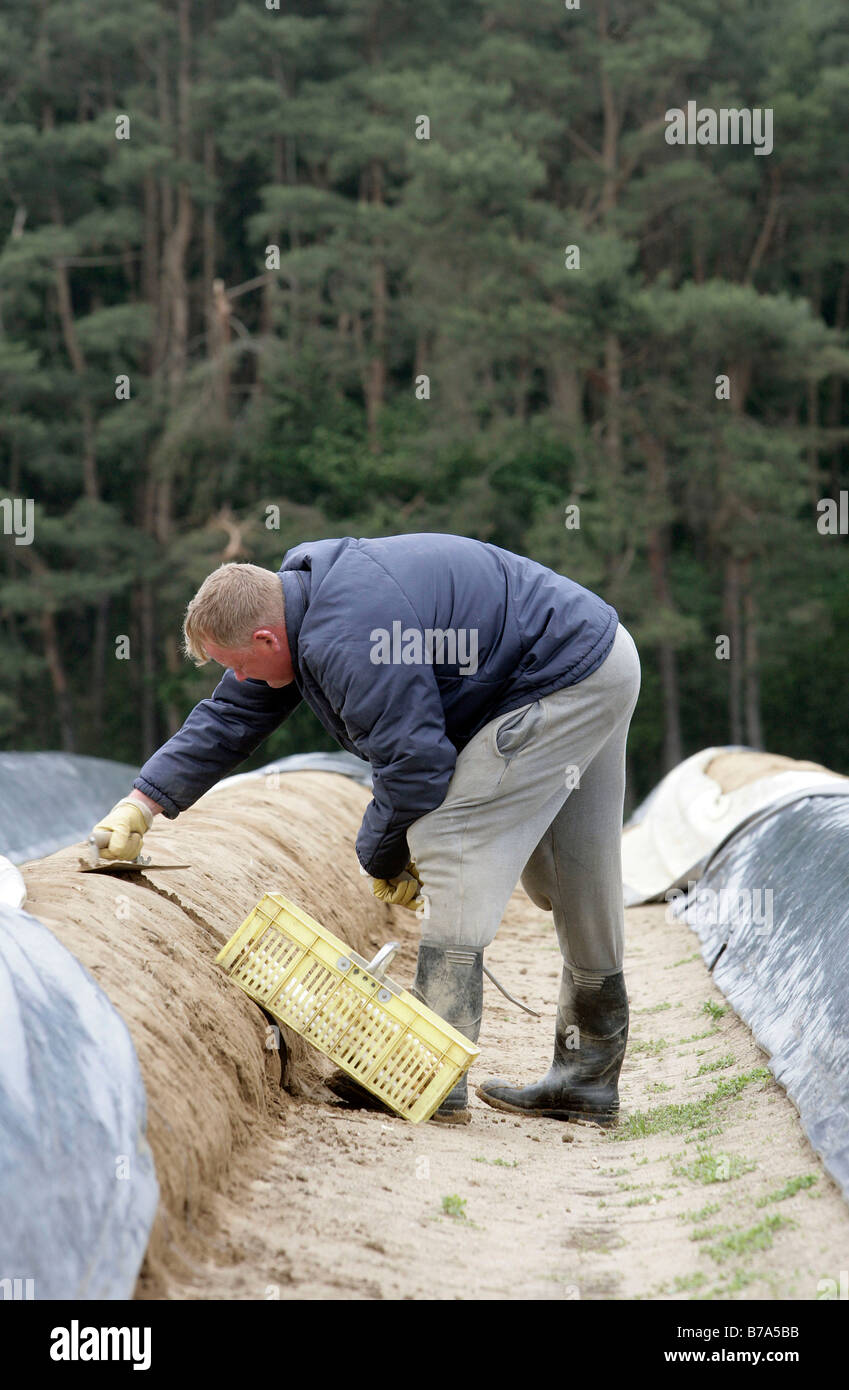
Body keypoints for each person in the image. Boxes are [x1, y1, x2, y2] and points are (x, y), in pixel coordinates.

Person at [92, 533, 641, 1125]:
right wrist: (141, 804)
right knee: (577, 868)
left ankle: (429, 1071)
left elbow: (416, 765)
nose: (240, 678)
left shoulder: (349, 637)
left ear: (264, 638)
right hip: (603, 657)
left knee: (450, 838)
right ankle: (589, 1077)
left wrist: (383, 856)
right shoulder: (301, 601)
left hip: (556, 680)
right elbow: (232, 714)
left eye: (238, 665)